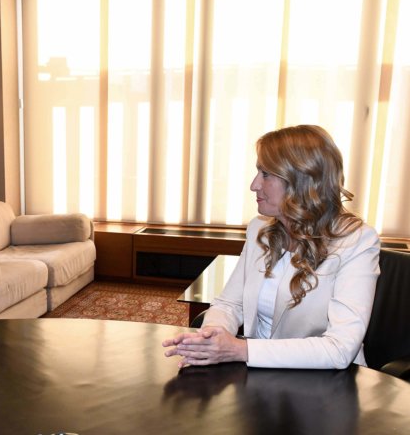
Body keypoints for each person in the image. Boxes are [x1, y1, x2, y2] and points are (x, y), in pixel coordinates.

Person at [162, 124, 380, 369]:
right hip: (256, 371)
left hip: (327, 381)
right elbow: (230, 304)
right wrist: (211, 337)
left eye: (265, 174)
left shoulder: (357, 241)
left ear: (302, 181)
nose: (254, 185)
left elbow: (339, 349)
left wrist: (241, 349)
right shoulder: (260, 229)